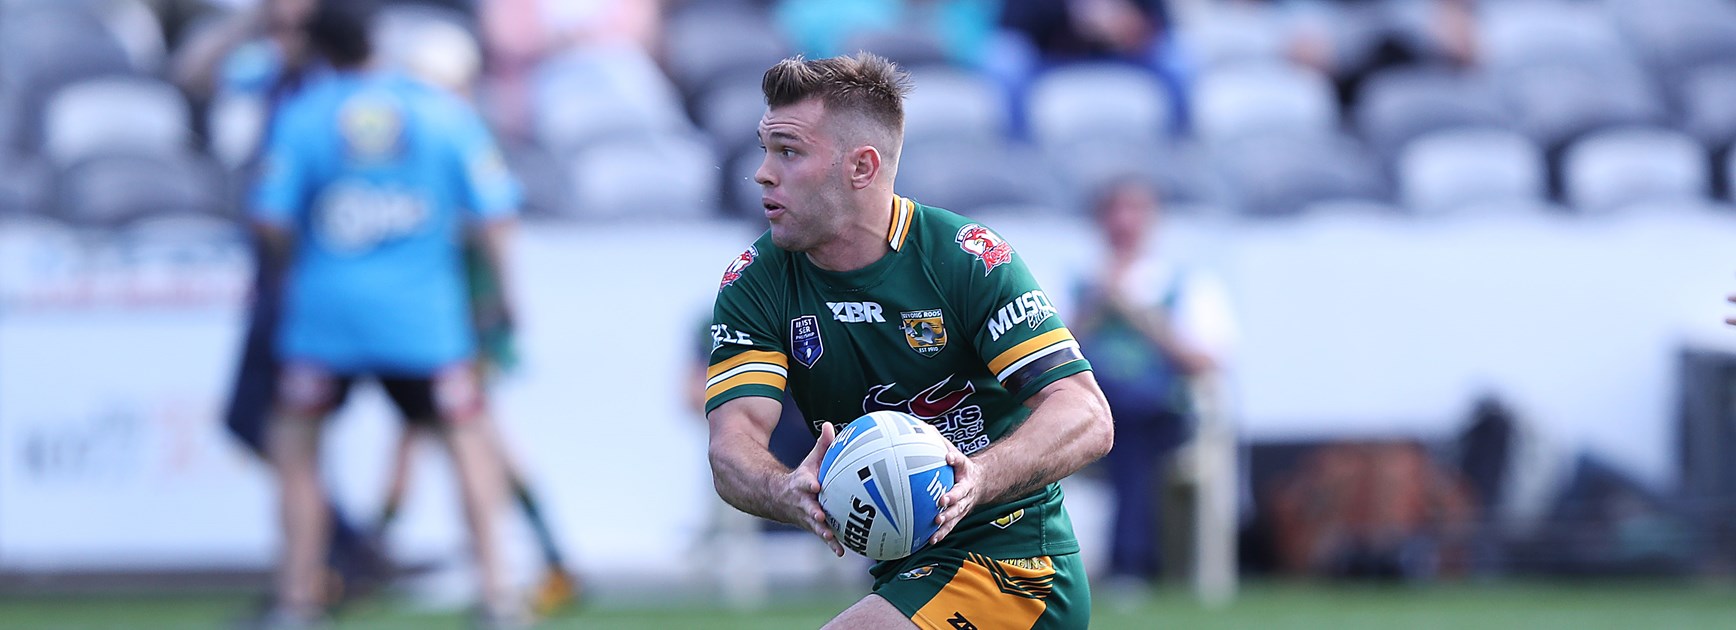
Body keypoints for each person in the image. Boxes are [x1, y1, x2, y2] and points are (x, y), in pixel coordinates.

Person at [705, 52, 1114, 629]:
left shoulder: (966, 259)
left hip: (1015, 567)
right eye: (765, 149)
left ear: (862, 167)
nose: (763, 173)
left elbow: (1087, 415)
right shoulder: (757, 281)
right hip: (905, 572)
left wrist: (979, 477)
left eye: (788, 152)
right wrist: (785, 488)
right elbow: (732, 445)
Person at [249, 1, 520, 625]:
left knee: (298, 450)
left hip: (325, 319)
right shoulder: (440, 112)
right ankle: (499, 595)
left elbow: (270, 220)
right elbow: (496, 212)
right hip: (425, 323)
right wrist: (504, 298)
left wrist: (300, 265)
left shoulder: (304, 114)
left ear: (318, 48)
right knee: (469, 445)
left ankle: (296, 601)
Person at [1070, 177, 1234, 593]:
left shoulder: (1186, 283)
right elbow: (1045, 356)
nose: (1124, 222)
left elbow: (1208, 361)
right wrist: (1094, 307)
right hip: (1091, 416)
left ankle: (1127, 563)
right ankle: (1130, 563)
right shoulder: (1078, 285)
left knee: (1129, 424)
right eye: (1114, 211)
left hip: (1165, 415)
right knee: (1120, 419)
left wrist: (1144, 318)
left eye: (1135, 211)